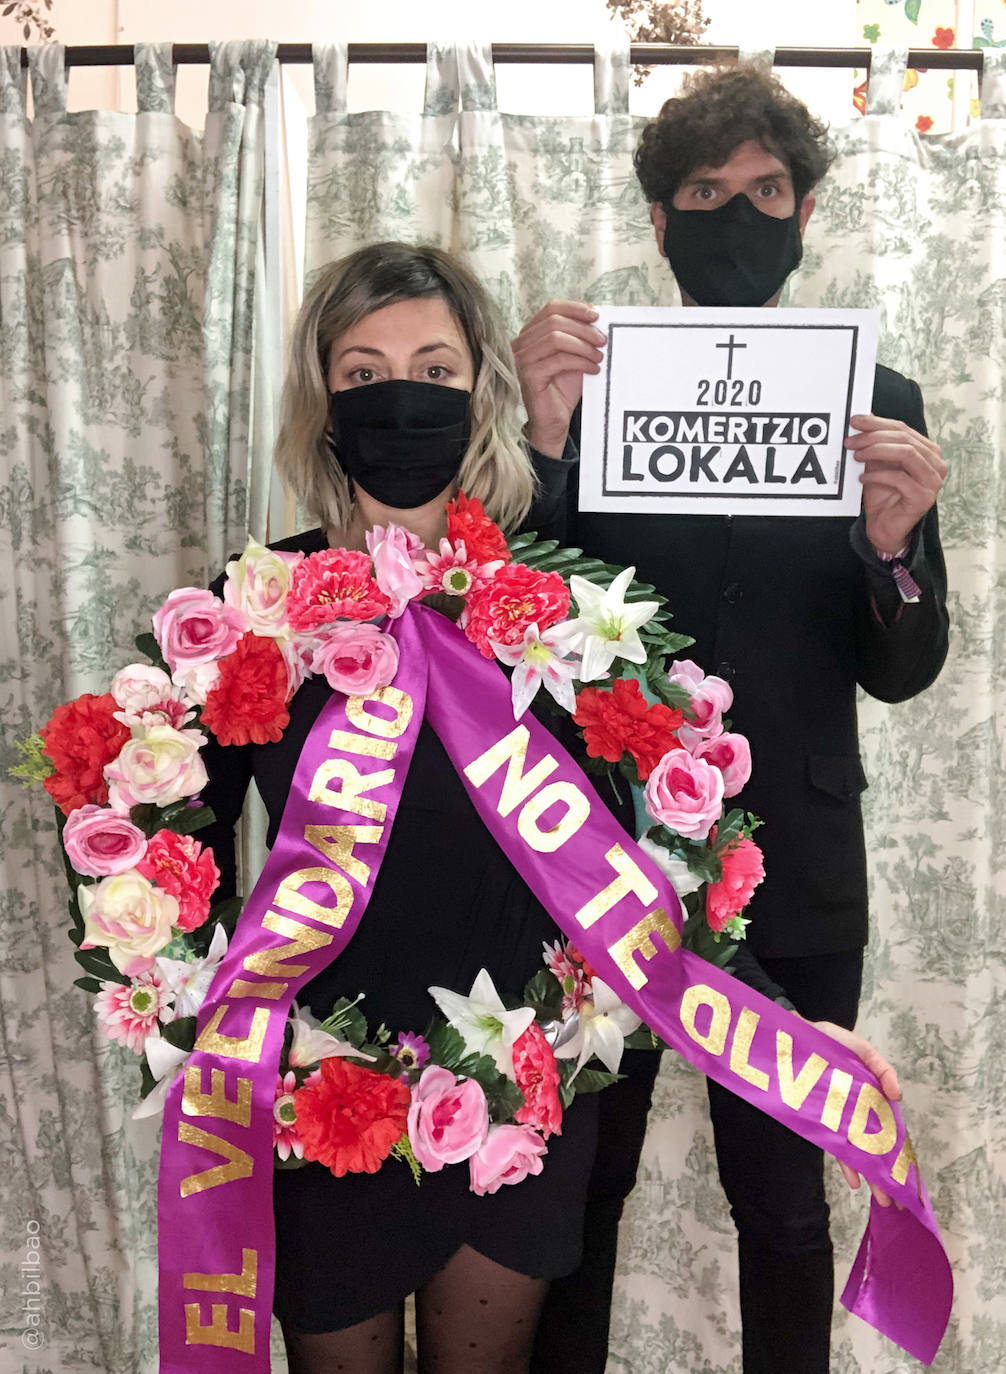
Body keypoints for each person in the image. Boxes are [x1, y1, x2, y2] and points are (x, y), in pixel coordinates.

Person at [196, 239, 902, 1374]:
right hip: (316, 1096)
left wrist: (785, 1018)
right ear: (319, 397)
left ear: (478, 393)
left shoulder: (561, 616)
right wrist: (202, 1001)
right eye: (363, 372)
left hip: (521, 1085)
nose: (401, 398)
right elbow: (160, 829)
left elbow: (667, 851)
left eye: (433, 367)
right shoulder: (248, 614)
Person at [513, 66, 949, 1374]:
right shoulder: (582, 397)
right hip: (599, 855)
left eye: (765, 192)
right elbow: (511, 632)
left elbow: (904, 668)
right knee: (572, 1194)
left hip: (799, 869)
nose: (737, 215)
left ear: (805, 212)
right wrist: (539, 444)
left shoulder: (884, 407)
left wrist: (894, 549)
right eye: (705, 194)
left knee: (781, 1202)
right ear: (658, 221)